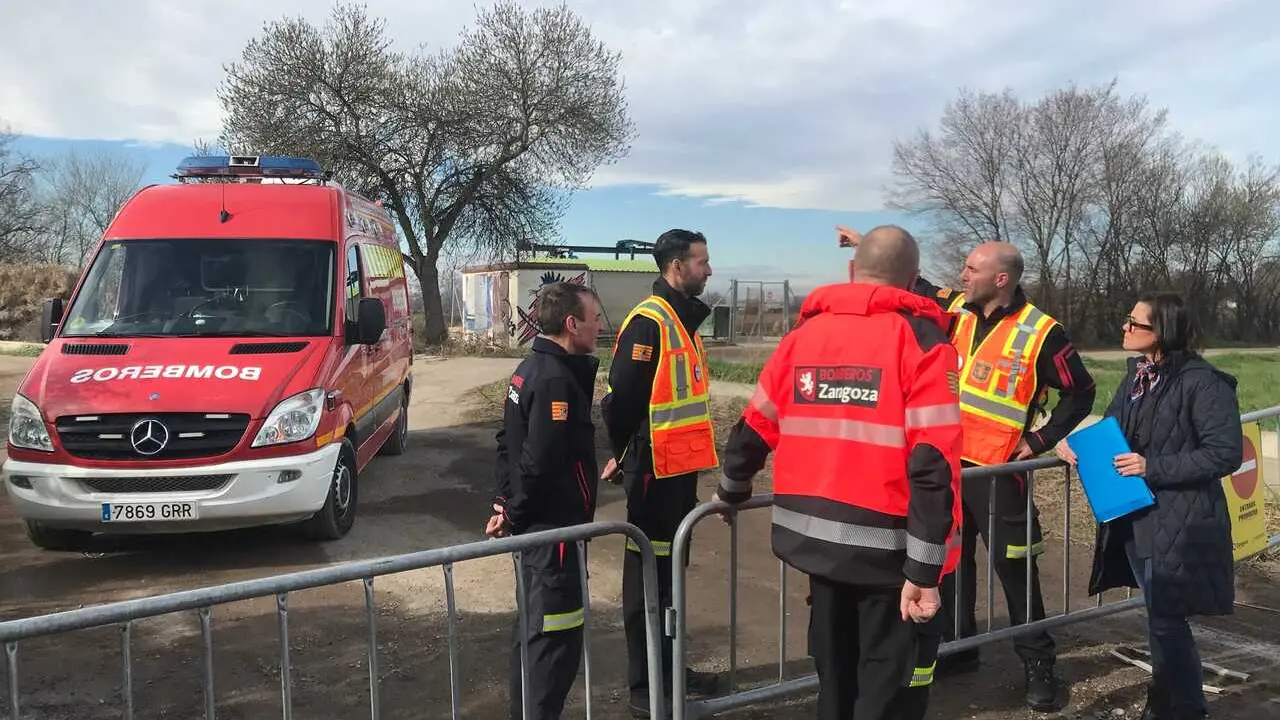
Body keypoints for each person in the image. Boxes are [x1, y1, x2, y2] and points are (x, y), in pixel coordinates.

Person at [836, 228, 1095, 711]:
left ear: (1000, 278)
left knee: (1015, 570)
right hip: (949, 468)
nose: (962, 274)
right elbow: (908, 280)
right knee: (949, 565)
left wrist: (1038, 440)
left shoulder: (1043, 331)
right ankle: (960, 649)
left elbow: (1080, 391)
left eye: (971, 269)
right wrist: (866, 244)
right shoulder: (951, 309)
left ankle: (1038, 662)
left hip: (1000, 476)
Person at [717, 225, 964, 720]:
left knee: (835, 683)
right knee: (886, 690)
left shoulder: (801, 338)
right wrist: (925, 571)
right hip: (889, 559)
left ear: (852, 272)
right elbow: (933, 463)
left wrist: (732, 488)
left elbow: (753, 427)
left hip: (817, 549)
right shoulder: (924, 344)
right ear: (913, 280)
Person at [1055, 292, 1241, 720]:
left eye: (1134, 323)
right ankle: (1166, 705)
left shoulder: (1204, 382)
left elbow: (1224, 453)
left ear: (1163, 332)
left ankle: (1187, 709)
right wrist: (1075, 445)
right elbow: (1112, 427)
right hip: (1136, 516)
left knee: (1167, 621)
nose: (1124, 328)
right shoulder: (1138, 377)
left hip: (1178, 519)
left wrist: (1151, 466)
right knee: (1160, 617)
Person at [600, 228, 721, 718]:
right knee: (648, 576)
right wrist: (625, 454)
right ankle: (645, 689)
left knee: (670, 578)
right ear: (676, 266)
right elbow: (621, 401)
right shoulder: (650, 322)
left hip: (678, 474)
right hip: (654, 474)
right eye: (702, 262)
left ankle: (669, 670)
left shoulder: (682, 320)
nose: (709, 270)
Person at [486, 281, 605, 720]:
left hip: (540, 532)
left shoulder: (528, 368)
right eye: (594, 320)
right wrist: (514, 509)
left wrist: (503, 502)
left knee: (533, 635)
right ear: (572, 324)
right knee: (552, 646)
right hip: (553, 534)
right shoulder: (554, 378)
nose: (599, 328)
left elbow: (506, 443)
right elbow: (539, 460)